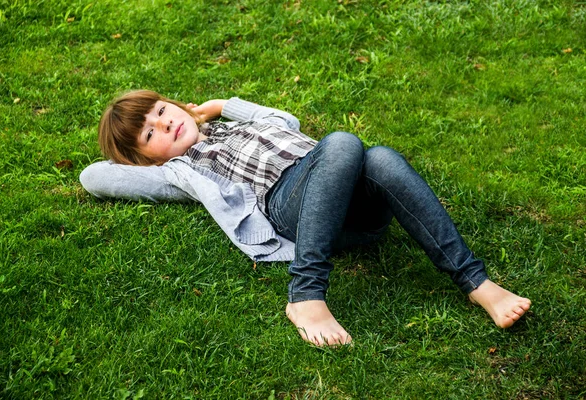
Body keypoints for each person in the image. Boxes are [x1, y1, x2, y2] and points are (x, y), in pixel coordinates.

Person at [80, 90, 532, 346]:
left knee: (382, 159)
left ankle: (476, 283)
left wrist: (222, 107)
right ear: (144, 158)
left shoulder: (234, 125)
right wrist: (142, 166)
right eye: (150, 133)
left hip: (350, 210)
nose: (165, 124)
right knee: (341, 144)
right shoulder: (179, 171)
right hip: (288, 205)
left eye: (161, 111)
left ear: (174, 102)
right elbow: (93, 176)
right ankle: (305, 294)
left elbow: (286, 121)